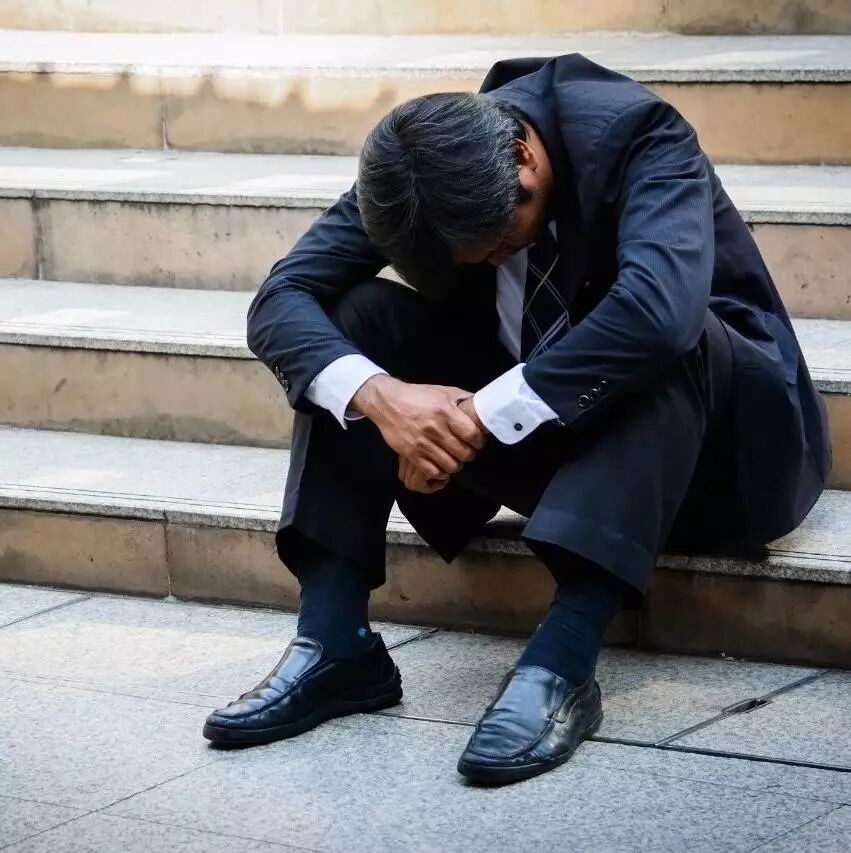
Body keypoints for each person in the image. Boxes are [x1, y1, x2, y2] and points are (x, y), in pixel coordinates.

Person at [202, 53, 831, 785]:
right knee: (352, 318)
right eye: (478, 257)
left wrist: (477, 415)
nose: (497, 257)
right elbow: (281, 298)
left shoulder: (638, 134)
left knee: (669, 323)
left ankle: (561, 662)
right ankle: (334, 641)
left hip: (718, 450)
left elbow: (659, 315)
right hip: (552, 439)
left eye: (506, 237)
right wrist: (382, 397)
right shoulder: (423, 166)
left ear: (524, 154)